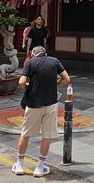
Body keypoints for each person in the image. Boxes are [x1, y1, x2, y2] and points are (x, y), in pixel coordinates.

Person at [14, 45, 70, 177]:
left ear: (33, 54)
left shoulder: (30, 62)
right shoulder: (54, 61)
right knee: (46, 135)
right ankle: (40, 167)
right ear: (45, 54)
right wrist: (53, 84)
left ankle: (19, 165)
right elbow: (66, 79)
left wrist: (29, 86)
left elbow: (21, 82)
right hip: (51, 103)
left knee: (25, 133)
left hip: (33, 103)